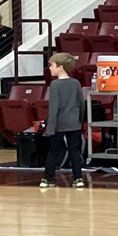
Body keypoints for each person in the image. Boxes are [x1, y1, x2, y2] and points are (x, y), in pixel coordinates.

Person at [40, 53, 85, 189]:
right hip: (74, 123)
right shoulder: (76, 83)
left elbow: (54, 108)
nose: (50, 68)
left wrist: (50, 128)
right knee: (75, 152)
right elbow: (81, 104)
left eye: (52, 65)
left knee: (53, 151)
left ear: (60, 67)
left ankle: (47, 179)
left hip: (58, 124)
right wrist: (79, 121)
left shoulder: (55, 85)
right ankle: (78, 179)